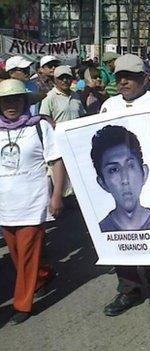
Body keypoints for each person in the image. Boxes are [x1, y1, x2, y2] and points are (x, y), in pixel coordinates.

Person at [98, 54, 150, 317]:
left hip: (148, 177)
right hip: (117, 180)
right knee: (120, 234)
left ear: (143, 78)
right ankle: (128, 288)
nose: (124, 82)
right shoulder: (108, 105)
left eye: (130, 77)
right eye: (120, 77)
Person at [0, 79, 65, 324]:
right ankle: (43, 275)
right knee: (17, 256)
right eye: (6, 100)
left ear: (25, 101)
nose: (11, 104)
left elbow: (56, 161)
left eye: (16, 99)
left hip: (33, 203)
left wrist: (57, 194)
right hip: (5, 205)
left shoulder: (40, 127)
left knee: (26, 254)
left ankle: (22, 305)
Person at [90, 125, 150, 232]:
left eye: (130, 166)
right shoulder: (99, 233)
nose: (125, 180)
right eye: (114, 170)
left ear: (144, 173)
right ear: (103, 183)